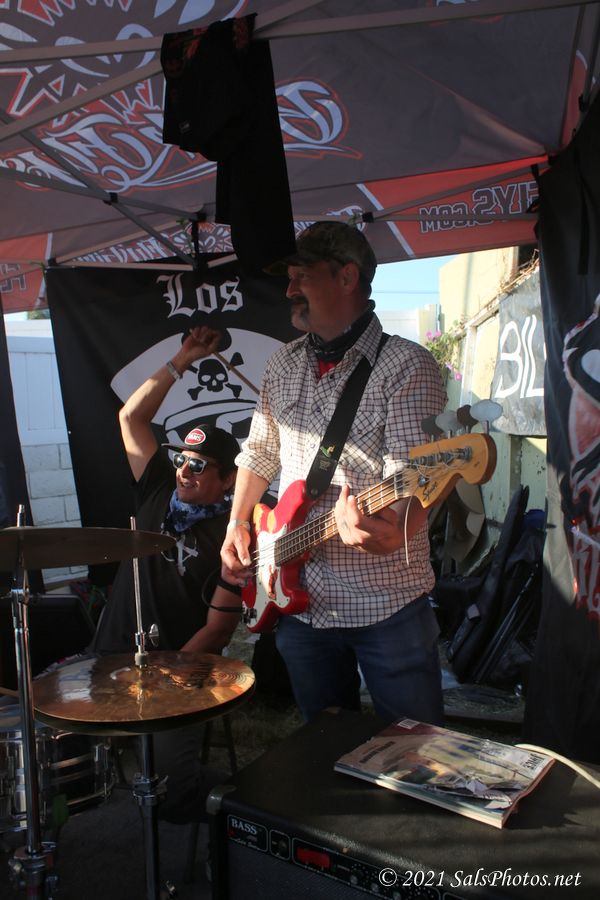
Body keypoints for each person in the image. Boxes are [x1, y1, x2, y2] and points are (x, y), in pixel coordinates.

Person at [221, 221, 447, 726]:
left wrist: (396, 530)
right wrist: (237, 522)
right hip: (300, 608)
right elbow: (259, 452)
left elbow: (415, 478)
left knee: (415, 750)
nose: (289, 289)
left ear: (347, 277)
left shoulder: (408, 366)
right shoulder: (282, 364)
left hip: (387, 604)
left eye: (301, 275)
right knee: (323, 747)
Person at [92, 324, 242, 823]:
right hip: (111, 653)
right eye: (182, 458)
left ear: (228, 479)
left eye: (199, 466)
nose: (184, 470)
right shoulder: (157, 485)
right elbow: (131, 417)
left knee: (173, 798)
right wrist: (184, 358)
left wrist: (169, 672)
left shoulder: (233, 532)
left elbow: (219, 628)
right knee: (64, 756)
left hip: (178, 671)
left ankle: (243, 805)